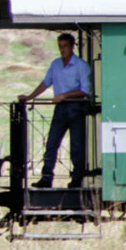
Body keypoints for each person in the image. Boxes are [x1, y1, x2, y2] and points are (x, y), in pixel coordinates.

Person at [18, 33, 92, 188]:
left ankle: (77, 180)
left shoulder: (81, 66)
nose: (62, 49)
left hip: (77, 107)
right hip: (61, 109)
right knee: (51, 143)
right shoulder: (56, 64)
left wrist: (64, 95)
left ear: (72, 47)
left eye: (65, 46)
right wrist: (30, 97)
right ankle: (46, 178)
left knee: (76, 146)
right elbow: (46, 83)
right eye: (60, 46)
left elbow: (85, 90)